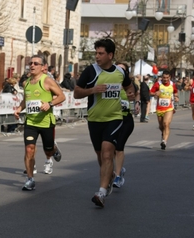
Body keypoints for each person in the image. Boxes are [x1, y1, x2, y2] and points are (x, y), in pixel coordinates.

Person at [73, 38, 136, 208]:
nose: (97, 57)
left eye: (101, 53)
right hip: (94, 119)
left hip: (114, 119)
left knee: (108, 153)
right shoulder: (90, 71)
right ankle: (106, 180)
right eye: (96, 53)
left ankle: (100, 192)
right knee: (101, 155)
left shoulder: (119, 72)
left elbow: (130, 87)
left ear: (110, 55)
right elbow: (76, 93)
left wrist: (131, 96)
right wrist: (92, 90)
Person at [14, 55, 65, 191]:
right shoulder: (26, 83)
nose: (32, 65)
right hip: (30, 122)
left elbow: (62, 96)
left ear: (43, 67)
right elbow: (26, 100)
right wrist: (19, 108)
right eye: (30, 63)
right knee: (29, 149)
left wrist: (49, 104)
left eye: (36, 63)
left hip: (46, 122)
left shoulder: (47, 81)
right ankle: (30, 179)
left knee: (47, 150)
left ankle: (53, 149)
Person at [113, 62, 138, 188]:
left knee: (119, 147)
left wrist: (136, 102)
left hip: (126, 120)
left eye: (122, 70)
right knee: (110, 149)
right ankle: (120, 169)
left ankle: (117, 177)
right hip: (112, 120)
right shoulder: (111, 84)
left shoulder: (129, 86)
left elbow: (135, 95)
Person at [150, 70, 178, 150]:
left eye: (167, 78)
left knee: (166, 124)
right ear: (162, 77)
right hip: (159, 108)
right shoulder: (158, 84)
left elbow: (175, 92)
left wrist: (176, 97)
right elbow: (150, 92)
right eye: (164, 77)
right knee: (161, 126)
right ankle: (163, 134)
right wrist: (155, 93)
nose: (165, 79)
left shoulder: (172, 84)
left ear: (170, 77)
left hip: (169, 108)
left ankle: (164, 141)